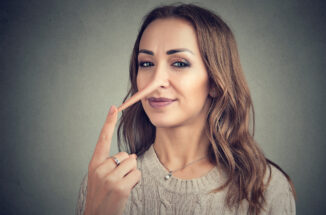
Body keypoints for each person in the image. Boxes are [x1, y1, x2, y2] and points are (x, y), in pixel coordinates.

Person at [76, 3, 296, 215]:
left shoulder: (266, 189)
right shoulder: (103, 184)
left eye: (179, 63)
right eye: (146, 63)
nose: (156, 81)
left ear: (215, 83)